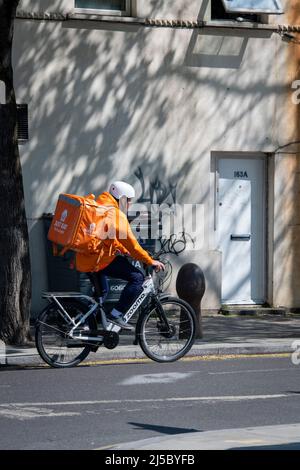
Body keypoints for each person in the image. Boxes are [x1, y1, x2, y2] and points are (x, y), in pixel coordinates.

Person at [75, 181, 165, 330]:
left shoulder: (101, 205)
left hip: (87, 257)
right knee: (137, 278)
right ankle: (116, 314)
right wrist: (150, 260)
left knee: (102, 293)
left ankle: (85, 324)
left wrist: (123, 250)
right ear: (122, 199)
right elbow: (133, 245)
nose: (129, 204)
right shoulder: (116, 215)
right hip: (98, 260)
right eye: (129, 200)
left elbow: (108, 236)